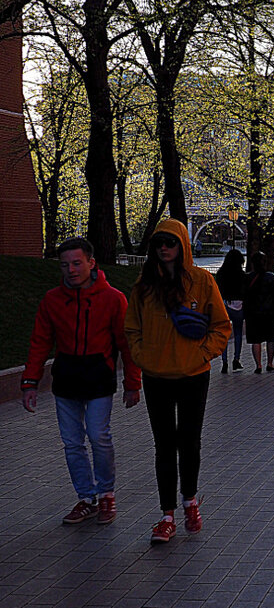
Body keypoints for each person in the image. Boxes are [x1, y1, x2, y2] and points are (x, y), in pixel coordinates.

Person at [21, 236, 141, 526]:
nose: (71, 270)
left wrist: (132, 384)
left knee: (99, 437)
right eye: (65, 265)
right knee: (72, 443)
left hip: (99, 377)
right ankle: (87, 497)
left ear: (91, 263)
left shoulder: (113, 299)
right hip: (66, 380)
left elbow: (127, 344)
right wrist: (30, 382)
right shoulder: (52, 300)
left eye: (77, 263)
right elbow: (39, 342)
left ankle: (107, 494)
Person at [124, 219, 231, 544]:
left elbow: (222, 326)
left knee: (189, 441)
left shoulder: (201, 281)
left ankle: (190, 502)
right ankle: (167, 515)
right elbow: (132, 329)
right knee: (164, 446)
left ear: (182, 245)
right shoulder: (144, 286)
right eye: (159, 244)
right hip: (156, 376)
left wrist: (200, 355)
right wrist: (144, 357)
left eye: (170, 243)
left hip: (192, 377)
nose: (164, 249)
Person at [243, 252, 274, 374]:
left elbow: (244, 297)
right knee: (270, 338)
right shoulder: (271, 277)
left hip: (252, 314)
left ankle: (258, 365)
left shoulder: (248, 278)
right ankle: (270, 363)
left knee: (255, 340)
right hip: (269, 313)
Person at [215, 248, 247, 372]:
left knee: (225, 334)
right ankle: (236, 360)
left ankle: (224, 362)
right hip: (239, 305)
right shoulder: (242, 275)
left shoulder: (221, 273)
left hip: (225, 305)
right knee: (238, 333)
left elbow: (218, 291)